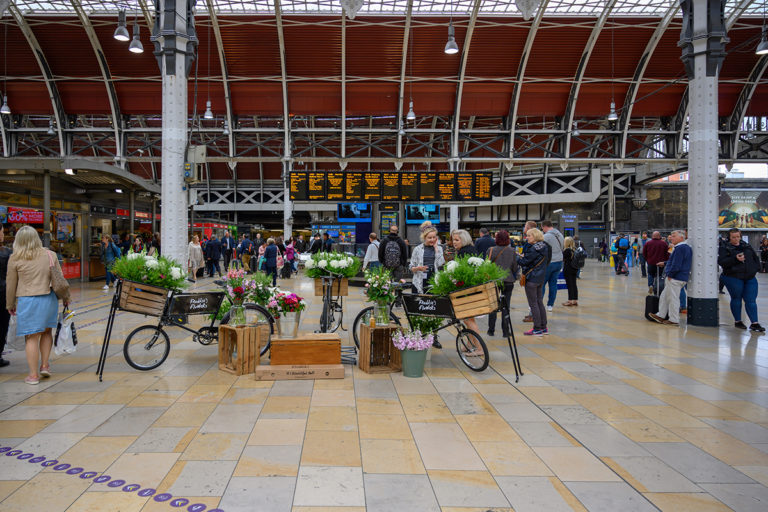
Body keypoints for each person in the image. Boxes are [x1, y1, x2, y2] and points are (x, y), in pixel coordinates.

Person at [6, 225, 70, 385]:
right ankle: (45, 366)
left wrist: (10, 304)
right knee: (47, 332)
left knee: (31, 338)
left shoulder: (15, 258)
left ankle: (33, 376)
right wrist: (66, 297)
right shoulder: (50, 254)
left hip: (27, 301)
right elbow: (60, 280)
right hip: (48, 299)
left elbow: (11, 284)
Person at [718, 228, 764, 332]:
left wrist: (756, 268)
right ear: (729, 237)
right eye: (733, 237)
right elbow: (722, 262)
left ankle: (754, 323)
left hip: (749, 276)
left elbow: (755, 257)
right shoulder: (724, 247)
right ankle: (738, 321)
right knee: (736, 298)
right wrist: (735, 259)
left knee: (751, 300)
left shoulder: (746, 245)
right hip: (733, 277)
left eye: (738, 236)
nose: (736, 239)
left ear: (740, 236)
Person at [649, 230, 691, 327]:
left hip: (675, 278)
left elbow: (676, 264)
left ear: (681, 237)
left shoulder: (680, 248)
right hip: (678, 277)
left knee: (673, 298)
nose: (671, 237)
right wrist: (665, 263)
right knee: (664, 296)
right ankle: (661, 315)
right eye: (671, 236)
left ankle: (674, 319)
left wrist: (670, 274)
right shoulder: (683, 247)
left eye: (674, 236)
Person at [518, 228, 550, 336]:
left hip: (532, 278)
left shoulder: (533, 249)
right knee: (539, 302)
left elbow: (524, 262)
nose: (527, 238)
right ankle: (543, 327)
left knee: (533, 304)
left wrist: (517, 257)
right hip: (540, 277)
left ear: (535, 236)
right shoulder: (545, 246)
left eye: (529, 236)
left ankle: (537, 328)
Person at [486, 230, 518, 337]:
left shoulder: (490, 250)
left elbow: (486, 266)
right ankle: (505, 331)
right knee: (506, 306)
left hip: (494, 281)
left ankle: (491, 330)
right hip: (508, 281)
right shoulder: (512, 251)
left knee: (493, 305)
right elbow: (514, 267)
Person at [450, 229, 481, 334]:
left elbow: (461, 273)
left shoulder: (464, 252)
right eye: (453, 240)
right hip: (472, 288)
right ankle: (470, 344)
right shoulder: (471, 249)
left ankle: (479, 348)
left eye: (457, 240)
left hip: (466, 289)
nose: (454, 242)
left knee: (468, 320)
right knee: (469, 320)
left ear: (463, 240)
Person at [409, 222, 444, 294]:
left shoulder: (439, 248)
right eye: (429, 238)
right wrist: (419, 268)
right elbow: (411, 267)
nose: (432, 240)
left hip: (434, 278)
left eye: (434, 237)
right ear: (424, 238)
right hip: (420, 278)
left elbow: (441, 264)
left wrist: (436, 249)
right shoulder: (417, 249)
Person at [540, 220, 564, 312]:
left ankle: (539, 303)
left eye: (542, 228)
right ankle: (550, 305)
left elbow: (541, 249)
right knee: (553, 284)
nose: (543, 230)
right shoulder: (560, 235)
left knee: (542, 284)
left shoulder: (546, 236)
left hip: (549, 262)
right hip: (559, 262)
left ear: (545, 226)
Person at [0, 226, 11, 367]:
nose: (3, 234)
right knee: (2, 326)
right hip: (3, 293)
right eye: (2, 231)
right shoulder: (7, 253)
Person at [562, 236, 579, 307]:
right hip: (574, 269)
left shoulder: (566, 251)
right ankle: (575, 300)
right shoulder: (575, 250)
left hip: (568, 269)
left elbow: (563, 259)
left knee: (569, 285)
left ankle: (569, 300)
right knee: (574, 284)